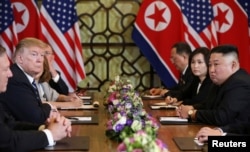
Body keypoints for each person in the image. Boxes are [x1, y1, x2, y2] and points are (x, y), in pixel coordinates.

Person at [0, 45, 72, 151]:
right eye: (6, 69)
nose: (10, 74)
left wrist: (44, 128)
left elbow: (10, 125)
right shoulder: (17, 80)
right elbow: (8, 141)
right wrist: (50, 134)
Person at [177, 45, 250, 126]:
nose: (211, 70)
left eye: (216, 64)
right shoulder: (218, 81)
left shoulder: (240, 84)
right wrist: (191, 108)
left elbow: (222, 117)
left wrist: (192, 113)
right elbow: (208, 105)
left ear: (233, 65)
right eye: (210, 65)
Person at [0, 38, 56, 124]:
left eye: (42, 55)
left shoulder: (25, 77)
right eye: (34, 54)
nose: (40, 60)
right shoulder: (16, 80)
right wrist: (49, 106)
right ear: (20, 59)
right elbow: (37, 118)